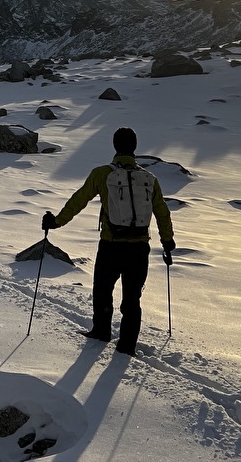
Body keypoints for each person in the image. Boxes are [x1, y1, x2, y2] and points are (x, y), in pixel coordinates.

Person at [42, 126, 175, 355]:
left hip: (111, 245)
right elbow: (162, 212)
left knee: (103, 290)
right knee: (132, 299)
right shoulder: (149, 179)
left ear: (115, 146)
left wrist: (56, 222)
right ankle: (127, 347)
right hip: (139, 248)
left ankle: (101, 331)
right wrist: (167, 241)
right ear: (134, 147)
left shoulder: (102, 174)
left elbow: (79, 200)